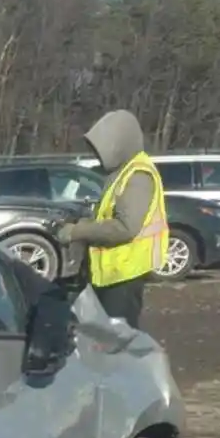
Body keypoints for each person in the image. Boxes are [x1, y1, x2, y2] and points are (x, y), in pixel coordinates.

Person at [54, 109, 168, 329]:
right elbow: (109, 214)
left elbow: (125, 228)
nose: (98, 155)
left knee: (118, 342)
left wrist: (76, 231)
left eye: (103, 148)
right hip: (112, 272)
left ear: (120, 143)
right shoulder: (123, 172)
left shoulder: (138, 175)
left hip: (124, 274)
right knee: (104, 339)